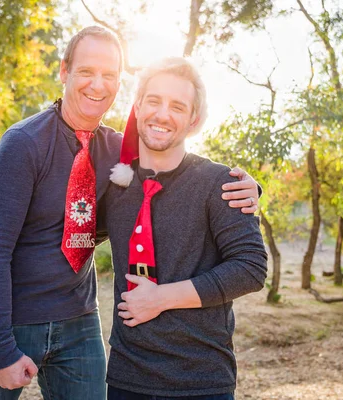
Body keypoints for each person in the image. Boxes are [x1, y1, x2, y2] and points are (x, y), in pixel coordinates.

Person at [0, 26, 262, 400]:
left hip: (78, 323)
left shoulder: (120, 150)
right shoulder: (23, 144)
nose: (97, 85)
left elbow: (178, 172)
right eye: (86, 72)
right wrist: (0, 347)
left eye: (109, 75)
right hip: (10, 319)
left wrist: (248, 187)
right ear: (64, 71)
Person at [104, 57, 268, 400]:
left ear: (194, 120)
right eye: (154, 101)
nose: (162, 114)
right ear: (138, 107)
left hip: (200, 381)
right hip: (126, 377)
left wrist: (160, 299)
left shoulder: (221, 183)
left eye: (177, 106)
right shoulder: (116, 185)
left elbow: (251, 268)